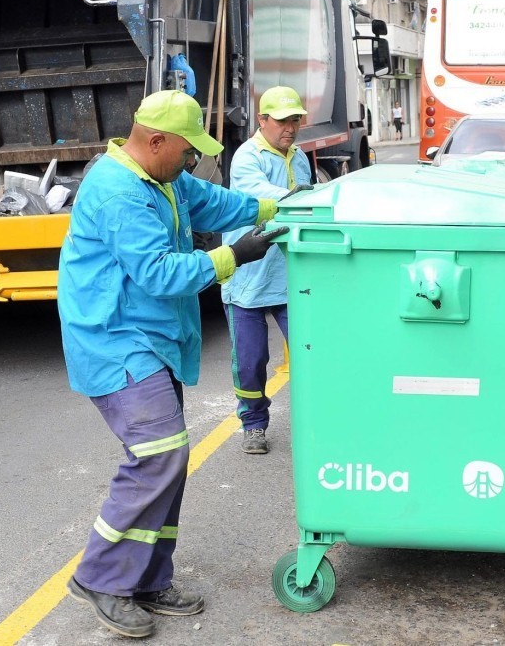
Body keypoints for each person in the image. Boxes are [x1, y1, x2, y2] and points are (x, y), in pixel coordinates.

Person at [58, 89, 294, 638]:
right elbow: (161, 272)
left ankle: (144, 578)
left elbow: (213, 202)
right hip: (115, 339)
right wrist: (235, 254)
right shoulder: (119, 192)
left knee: (167, 461)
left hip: (152, 337)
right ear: (156, 140)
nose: (194, 161)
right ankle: (101, 577)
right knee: (159, 453)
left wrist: (277, 206)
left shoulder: (163, 178)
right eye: (189, 151)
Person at [222, 86, 314, 454]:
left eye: (295, 120)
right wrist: (310, 197)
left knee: (313, 353)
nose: (290, 128)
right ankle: (254, 424)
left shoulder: (299, 156)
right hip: (248, 281)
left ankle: (320, 419)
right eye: (282, 121)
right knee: (250, 362)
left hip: (291, 278)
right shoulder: (247, 158)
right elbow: (266, 197)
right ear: (262, 120)